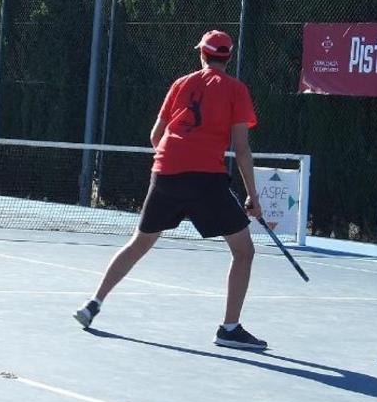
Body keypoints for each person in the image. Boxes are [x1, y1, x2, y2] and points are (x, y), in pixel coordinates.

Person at [73, 30, 267, 350]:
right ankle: (229, 329)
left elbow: (156, 136)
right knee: (244, 251)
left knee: (139, 244)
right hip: (206, 179)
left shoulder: (181, 83)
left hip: (166, 173)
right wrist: (253, 197)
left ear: (202, 55)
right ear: (228, 58)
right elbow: (242, 149)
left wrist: (177, 159)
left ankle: (93, 303)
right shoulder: (236, 90)